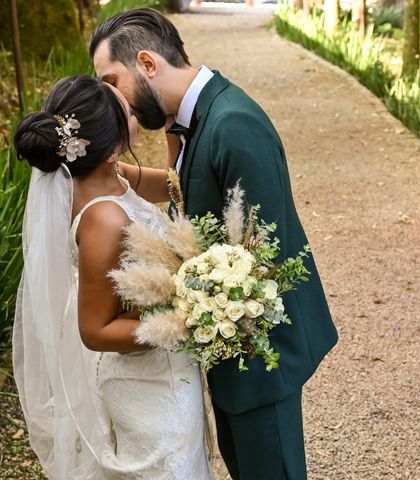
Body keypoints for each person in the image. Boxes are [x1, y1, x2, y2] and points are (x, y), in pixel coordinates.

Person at [90, 8, 338, 479]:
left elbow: (264, 255)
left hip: (263, 358)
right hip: (228, 352)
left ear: (146, 63)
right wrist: (99, 172)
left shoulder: (233, 124)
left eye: (112, 81)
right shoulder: (186, 123)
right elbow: (183, 190)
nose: (112, 100)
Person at [13, 75, 213, 480]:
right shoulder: (103, 218)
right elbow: (95, 330)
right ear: (112, 147)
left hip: (161, 364)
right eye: (130, 111)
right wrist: (192, 319)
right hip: (144, 378)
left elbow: (173, 186)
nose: (135, 111)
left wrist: (174, 122)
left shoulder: (111, 174)